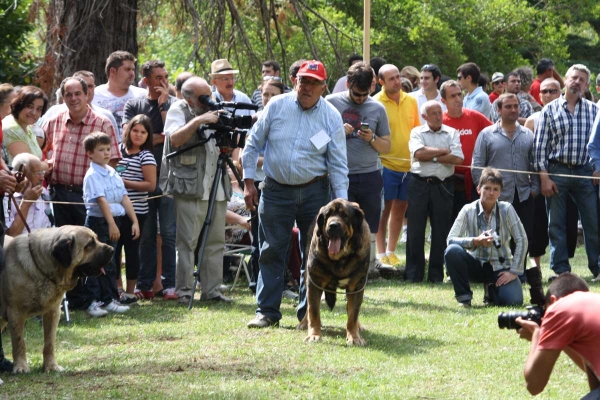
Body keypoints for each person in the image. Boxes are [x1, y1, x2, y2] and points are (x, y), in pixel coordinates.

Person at [242, 60, 348, 328]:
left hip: (315, 192)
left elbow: (337, 163)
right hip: (276, 190)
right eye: (303, 81)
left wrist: (342, 202)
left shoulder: (332, 116)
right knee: (271, 250)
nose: (307, 87)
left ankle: (307, 315)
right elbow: (252, 143)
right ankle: (267, 312)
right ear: (295, 81)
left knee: (313, 254)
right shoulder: (276, 106)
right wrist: (248, 182)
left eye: (314, 82)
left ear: (324, 86)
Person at [162, 76, 232, 304]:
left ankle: (212, 291)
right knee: (187, 243)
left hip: (216, 184)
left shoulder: (214, 109)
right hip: (191, 186)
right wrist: (199, 120)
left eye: (210, 95)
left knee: (215, 242)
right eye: (204, 98)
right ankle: (183, 291)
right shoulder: (178, 109)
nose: (209, 101)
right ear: (189, 98)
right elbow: (175, 139)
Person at [534, 64, 600, 280]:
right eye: (574, 77)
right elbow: (540, 147)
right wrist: (543, 177)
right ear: (565, 79)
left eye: (582, 79)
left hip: (586, 172)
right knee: (556, 224)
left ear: (587, 85)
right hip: (557, 171)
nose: (577, 82)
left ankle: (598, 267)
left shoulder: (594, 110)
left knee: (593, 222)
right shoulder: (549, 110)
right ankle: (561, 270)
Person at [325, 61, 391, 270]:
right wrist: (336, 134)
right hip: (339, 176)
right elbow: (314, 141)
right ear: (348, 84)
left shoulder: (377, 108)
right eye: (356, 94)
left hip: (369, 175)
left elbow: (387, 147)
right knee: (340, 224)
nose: (361, 99)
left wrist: (372, 139)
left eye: (365, 95)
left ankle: (367, 267)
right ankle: (340, 264)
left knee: (369, 224)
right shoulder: (330, 103)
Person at [123, 60, 178, 300]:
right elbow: (130, 138)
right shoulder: (134, 104)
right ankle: (144, 285)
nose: (164, 82)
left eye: (166, 77)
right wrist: (156, 138)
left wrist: (164, 106)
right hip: (140, 180)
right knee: (144, 235)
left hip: (167, 178)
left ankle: (169, 285)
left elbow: (173, 138)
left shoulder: (175, 104)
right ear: (146, 81)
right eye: (158, 78)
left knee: (168, 233)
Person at [472, 93, 539, 273]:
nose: (513, 110)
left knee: (524, 237)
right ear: (499, 110)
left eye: (516, 106)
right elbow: (477, 165)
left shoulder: (528, 134)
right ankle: (497, 271)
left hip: (523, 194)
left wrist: (534, 189)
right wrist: (485, 192)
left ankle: (519, 272)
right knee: (497, 237)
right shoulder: (486, 134)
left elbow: (535, 164)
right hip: (496, 197)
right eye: (508, 106)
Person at [42, 77, 121, 228]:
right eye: (68, 95)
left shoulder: (103, 123)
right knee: (62, 247)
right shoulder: (53, 122)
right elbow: (41, 153)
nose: (73, 98)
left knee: (89, 246)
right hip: (58, 196)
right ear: (63, 97)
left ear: (86, 95)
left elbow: (113, 160)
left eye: (78, 93)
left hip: (89, 197)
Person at [445, 167, 526, 307]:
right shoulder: (467, 209)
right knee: (452, 251)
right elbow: (450, 239)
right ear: (478, 189)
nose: (491, 193)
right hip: (475, 264)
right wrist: (475, 241)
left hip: (501, 267)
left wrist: (514, 271)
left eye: (495, 189)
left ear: (500, 192)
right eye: (487, 188)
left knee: (514, 302)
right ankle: (464, 299)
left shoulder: (507, 209)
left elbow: (521, 239)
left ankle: (491, 291)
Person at [82, 132, 139, 317]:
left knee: (110, 263)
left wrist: (134, 221)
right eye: (101, 150)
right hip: (100, 222)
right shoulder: (92, 175)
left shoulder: (112, 172)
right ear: (90, 153)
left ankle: (108, 299)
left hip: (115, 220)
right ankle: (93, 301)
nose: (106, 153)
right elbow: (101, 201)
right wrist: (111, 224)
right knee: (94, 263)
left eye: (108, 149)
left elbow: (124, 197)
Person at [406, 101, 463, 282]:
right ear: (425, 116)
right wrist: (444, 152)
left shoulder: (452, 132)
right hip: (419, 184)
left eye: (440, 112)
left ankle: (436, 275)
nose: (439, 116)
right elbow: (419, 154)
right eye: (434, 113)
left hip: (443, 185)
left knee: (441, 231)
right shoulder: (417, 132)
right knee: (415, 230)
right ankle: (414, 275)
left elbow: (458, 158)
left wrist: (434, 156)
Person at [517, 273, 600, 398]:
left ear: (553, 300)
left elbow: (534, 385)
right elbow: (596, 380)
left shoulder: (559, 308)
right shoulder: (593, 302)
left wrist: (537, 334)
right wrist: (560, 339)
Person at [524, 78, 578, 270]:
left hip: (564, 176)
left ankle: (563, 262)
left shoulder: (571, 113)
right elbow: (529, 152)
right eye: (544, 91)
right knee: (539, 224)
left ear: (560, 92)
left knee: (568, 222)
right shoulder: (532, 119)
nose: (548, 95)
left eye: (553, 91)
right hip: (539, 180)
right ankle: (535, 265)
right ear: (539, 96)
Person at [373, 64, 420, 267]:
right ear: (381, 82)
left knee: (400, 209)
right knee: (384, 210)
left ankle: (391, 251)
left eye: (398, 77)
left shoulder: (411, 100)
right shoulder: (375, 103)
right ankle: (380, 252)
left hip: (408, 165)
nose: (397, 81)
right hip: (385, 164)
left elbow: (417, 130)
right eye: (391, 79)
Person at [114, 115, 156, 304]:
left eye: (143, 132)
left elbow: (150, 185)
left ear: (148, 136)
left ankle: (130, 293)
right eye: (135, 130)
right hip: (115, 210)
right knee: (114, 251)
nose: (138, 135)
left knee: (131, 252)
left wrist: (123, 183)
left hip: (136, 212)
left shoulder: (146, 155)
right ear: (128, 130)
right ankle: (117, 290)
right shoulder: (118, 151)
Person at [441, 80, 492, 220]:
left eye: (459, 94)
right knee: (450, 223)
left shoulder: (474, 116)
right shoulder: (440, 121)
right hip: (448, 180)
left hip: (473, 179)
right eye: (452, 96)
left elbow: (494, 134)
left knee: (475, 222)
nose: (458, 99)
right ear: (443, 100)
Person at [39, 70, 119, 134]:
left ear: (94, 88)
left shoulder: (106, 117)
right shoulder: (54, 112)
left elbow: (114, 148)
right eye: (82, 86)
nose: (86, 90)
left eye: (90, 86)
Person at [92, 50, 147, 142]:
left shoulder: (142, 95)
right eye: (127, 69)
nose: (132, 73)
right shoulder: (94, 95)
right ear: (113, 71)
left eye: (133, 69)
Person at [3, 153, 52, 236]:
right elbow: (11, 235)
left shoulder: (44, 192)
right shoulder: (7, 197)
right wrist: (26, 202)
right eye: (38, 173)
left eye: (42, 173)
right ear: (22, 174)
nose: (42, 178)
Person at [2, 86, 47, 164]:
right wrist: (46, 165)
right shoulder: (11, 128)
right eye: (29, 106)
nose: (34, 113)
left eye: (39, 109)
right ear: (19, 104)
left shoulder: (27, 126)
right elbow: (30, 165)